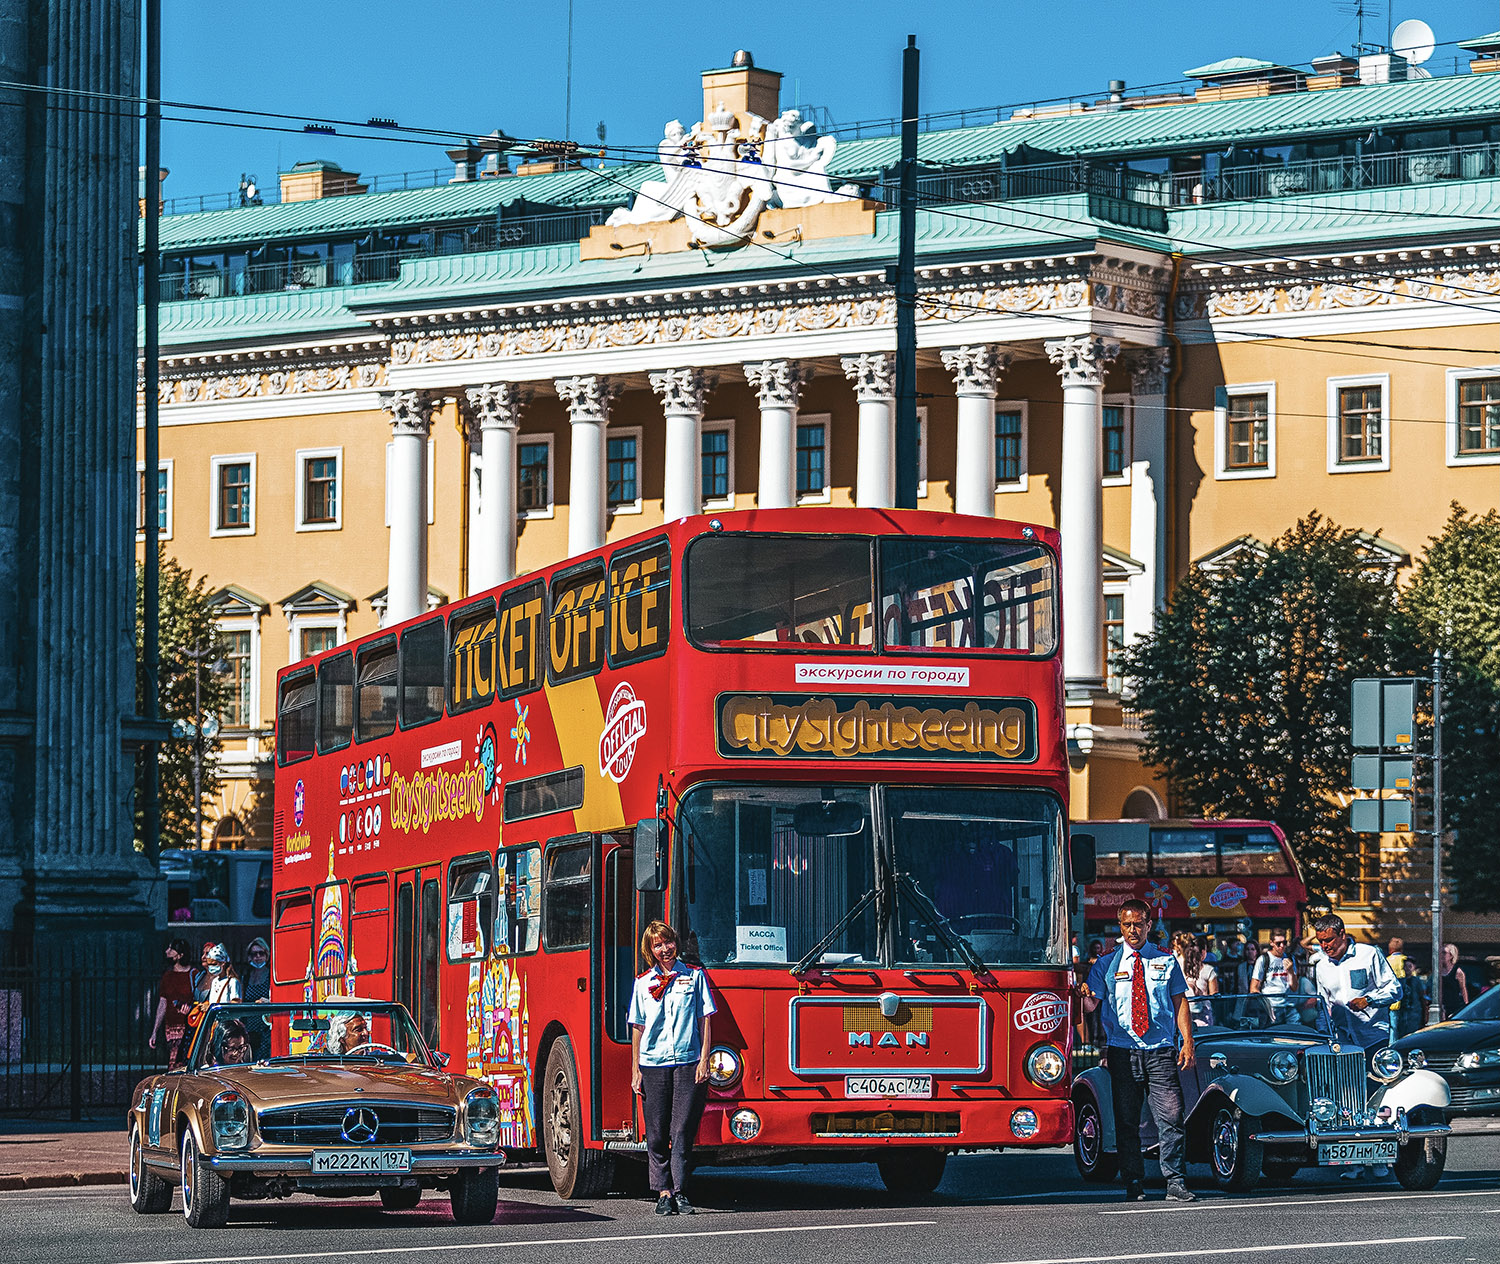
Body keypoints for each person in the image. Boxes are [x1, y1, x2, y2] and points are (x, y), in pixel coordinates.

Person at [1080, 898, 1196, 1203]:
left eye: (1139, 923)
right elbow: (1092, 1005)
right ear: (1120, 926)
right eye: (1127, 924)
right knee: (1127, 1120)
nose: (1133, 930)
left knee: (1171, 1116)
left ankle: (1175, 1180)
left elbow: (1179, 1003)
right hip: (1122, 1050)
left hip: (1159, 1051)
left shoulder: (1165, 960)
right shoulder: (1106, 964)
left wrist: (1187, 1041)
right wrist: (1085, 996)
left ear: (1149, 925)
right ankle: (1133, 1181)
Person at [629, 920, 715, 1216]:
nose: (664, 949)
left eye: (668, 942)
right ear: (650, 950)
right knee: (655, 1132)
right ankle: (662, 1191)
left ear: (675, 943)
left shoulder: (694, 976)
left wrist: (705, 1059)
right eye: (658, 945)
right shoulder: (642, 983)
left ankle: (680, 1190)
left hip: (687, 1062)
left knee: (681, 1130)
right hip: (652, 1064)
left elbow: (705, 1019)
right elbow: (637, 1027)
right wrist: (635, 1070)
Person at [1307, 913, 1402, 1180]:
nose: (1324, 946)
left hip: (1372, 1036)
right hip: (1342, 1041)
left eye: (1328, 941)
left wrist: (1369, 999)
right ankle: (1353, 1161)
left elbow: (1395, 989)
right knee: (1346, 1099)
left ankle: (1379, 1157)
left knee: (1374, 1098)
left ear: (1342, 934)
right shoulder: (1321, 966)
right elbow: (1323, 1004)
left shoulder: (1369, 954)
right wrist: (1323, 1037)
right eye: (1320, 941)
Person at [148, 937, 197, 1070]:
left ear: (180, 955)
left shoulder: (194, 974)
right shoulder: (168, 976)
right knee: (173, 1061)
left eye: (171, 949)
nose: (167, 952)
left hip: (189, 1025)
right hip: (171, 1027)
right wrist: (154, 1031)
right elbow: (162, 1003)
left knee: (184, 1062)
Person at [199, 942, 241, 1008]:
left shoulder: (232, 982)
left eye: (214, 964)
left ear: (222, 963)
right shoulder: (214, 981)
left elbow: (235, 1004)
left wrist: (215, 1007)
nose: (211, 967)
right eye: (209, 965)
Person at [1439, 943, 1470, 1018]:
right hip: (1442, 1006)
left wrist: (1466, 1006)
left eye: (1444, 953)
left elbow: (1463, 989)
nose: (1441, 955)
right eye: (1441, 952)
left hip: (1454, 1006)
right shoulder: (1438, 972)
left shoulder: (1458, 971)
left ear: (1451, 955)